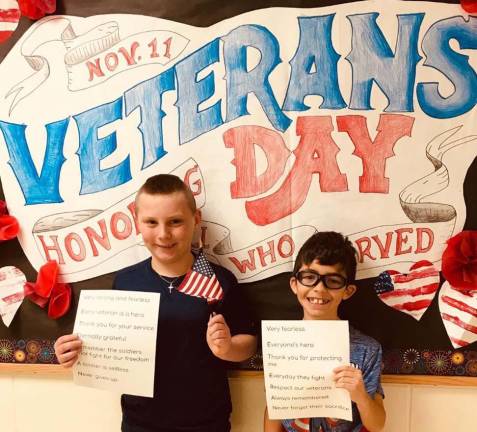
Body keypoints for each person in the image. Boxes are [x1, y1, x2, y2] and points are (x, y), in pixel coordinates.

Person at [54, 174, 257, 432]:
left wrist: (227, 348)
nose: (164, 234)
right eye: (151, 222)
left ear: (195, 221)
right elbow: (105, 347)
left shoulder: (220, 281)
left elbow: (249, 342)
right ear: (137, 223)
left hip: (207, 422)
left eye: (175, 221)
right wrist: (74, 351)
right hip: (140, 423)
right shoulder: (126, 282)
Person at [264, 232, 386, 432]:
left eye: (333, 280)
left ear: (348, 291)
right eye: (309, 277)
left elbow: (378, 424)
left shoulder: (367, 349)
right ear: (295, 284)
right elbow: (273, 408)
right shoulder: (278, 343)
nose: (319, 288)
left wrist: (361, 396)